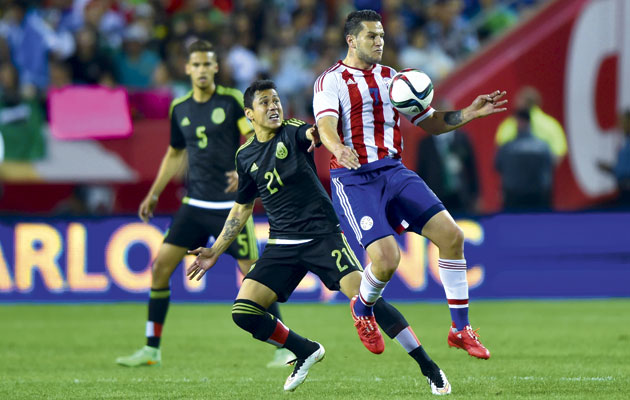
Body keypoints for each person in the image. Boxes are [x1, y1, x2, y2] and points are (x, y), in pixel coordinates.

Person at [187, 80, 451, 395]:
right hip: (282, 243)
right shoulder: (244, 156)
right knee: (243, 311)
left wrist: (319, 134)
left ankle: (429, 366)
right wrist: (216, 250)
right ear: (249, 114)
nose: (274, 107)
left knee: (367, 301)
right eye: (265, 103)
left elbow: (312, 133)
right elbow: (242, 207)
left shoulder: (293, 131)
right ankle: (305, 350)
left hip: (322, 236)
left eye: (276, 100)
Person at [313, 9, 507, 360]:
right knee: (386, 260)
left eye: (382, 36)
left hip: (394, 171)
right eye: (371, 36)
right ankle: (362, 309)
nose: (379, 41)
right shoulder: (332, 81)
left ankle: (460, 329)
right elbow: (325, 125)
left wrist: (468, 113)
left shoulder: (394, 79)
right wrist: (338, 147)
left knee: (452, 236)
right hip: (354, 178)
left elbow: (430, 122)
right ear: (351, 40)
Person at [116, 40, 292, 369]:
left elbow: (256, 132)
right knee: (159, 268)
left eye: (206, 64)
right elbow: (174, 153)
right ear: (187, 68)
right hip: (194, 205)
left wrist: (247, 171)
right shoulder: (179, 108)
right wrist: (154, 192)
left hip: (230, 207)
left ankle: (284, 346)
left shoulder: (229, 102)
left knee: (253, 277)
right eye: (195, 65)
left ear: (215, 68)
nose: (200, 70)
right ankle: (151, 349)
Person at [416, 101, 479, 215]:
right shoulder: (425, 144)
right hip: (437, 197)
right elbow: (421, 172)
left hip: (462, 196)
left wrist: (475, 195)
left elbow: (472, 168)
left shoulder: (462, 138)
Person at [495, 109, 554, 211]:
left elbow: (497, 166)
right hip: (539, 197)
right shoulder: (543, 147)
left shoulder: (507, 147)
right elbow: (550, 166)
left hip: (513, 198)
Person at [495, 86, 566, 164]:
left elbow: (500, 152)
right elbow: (559, 152)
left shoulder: (509, 125)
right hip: (541, 174)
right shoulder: (551, 124)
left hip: (515, 173)